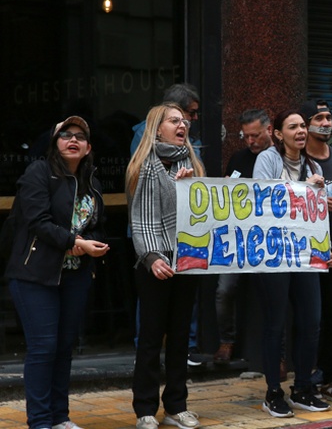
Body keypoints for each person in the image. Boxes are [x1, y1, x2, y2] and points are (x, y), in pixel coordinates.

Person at [6, 116, 110, 429]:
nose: (72, 140)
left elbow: (97, 225)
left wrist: (96, 244)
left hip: (75, 275)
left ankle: (59, 417)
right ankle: (39, 421)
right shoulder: (39, 172)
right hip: (35, 274)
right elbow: (38, 221)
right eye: (65, 135)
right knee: (43, 347)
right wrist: (74, 242)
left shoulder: (92, 180)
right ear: (55, 143)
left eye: (80, 136)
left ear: (88, 147)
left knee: (64, 348)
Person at [253, 108, 332, 417]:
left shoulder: (314, 165)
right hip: (273, 254)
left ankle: (303, 387)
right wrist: (304, 190)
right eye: (293, 127)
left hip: (304, 255)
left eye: (303, 125)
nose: (301, 131)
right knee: (276, 324)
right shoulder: (268, 159)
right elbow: (259, 199)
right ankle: (273, 392)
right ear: (279, 134)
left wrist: (326, 244)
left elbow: (317, 217)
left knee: (311, 321)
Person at [126, 104, 205, 429]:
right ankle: (145, 409)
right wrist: (152, 257)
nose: (182, 125)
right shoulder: (145, 166)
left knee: (179, 339)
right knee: (150, 337)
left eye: (184, 122)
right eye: (174, 121)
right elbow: (142, 219)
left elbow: (203, 211)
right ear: (158, 128)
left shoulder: (193, 163)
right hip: (155, 261)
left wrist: (189, 186)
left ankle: (176, 406)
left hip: (185, 260)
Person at [299, 99, 332, 403]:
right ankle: (305, 378)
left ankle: (330, 377)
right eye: (319, 117)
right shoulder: (298, 159)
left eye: (329, 117)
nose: (326, 122)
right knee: (310, 316)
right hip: (306, 249)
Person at [212, 109, 273, 365]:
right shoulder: (238, 158)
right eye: (246, 136)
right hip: (238, 237)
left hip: (269, 239)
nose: (250, 141)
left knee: (272, 294)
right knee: (224, 290)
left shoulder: (277, 158)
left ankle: (273, 352)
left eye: (256, 135)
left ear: (269, 130)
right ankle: (226, 341)